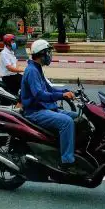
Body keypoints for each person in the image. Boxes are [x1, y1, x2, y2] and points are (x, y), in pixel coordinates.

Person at [21, 39, 79, 174]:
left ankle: (70, 149)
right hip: (35, 111)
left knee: (76, 117)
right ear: (42, 54)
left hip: (44, 107)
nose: (50, 55)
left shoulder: (37, 68)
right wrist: (62, 96)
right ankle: (67, 162)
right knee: (67, 122)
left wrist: (66, 91)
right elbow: (40, 95)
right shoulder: (32, 71)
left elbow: (50, 89)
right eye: (48, 52)